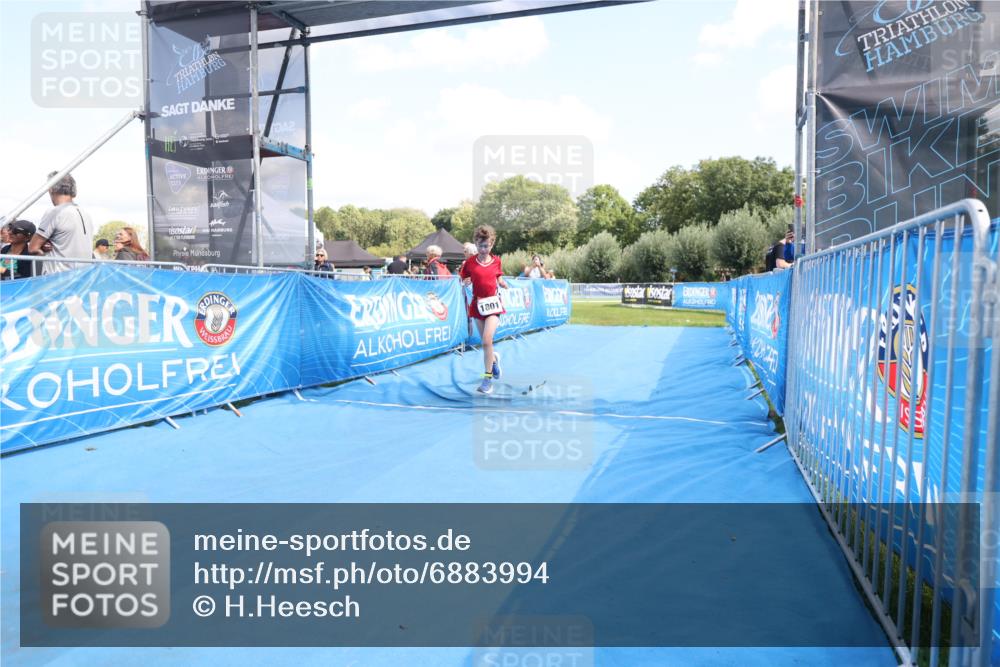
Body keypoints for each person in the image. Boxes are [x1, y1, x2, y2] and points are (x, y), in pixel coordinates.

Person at [460, 225, 509, 394]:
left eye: (486, 246)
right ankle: (493, 361)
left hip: (493, 305)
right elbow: (464, 276)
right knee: (485, 344)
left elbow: (498, 274)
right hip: (477, 305)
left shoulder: (496, 260)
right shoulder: (470, 262)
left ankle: (487, 379)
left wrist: (501, 282)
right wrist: (466, 280)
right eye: (480, 245)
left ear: (492, 244)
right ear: (476, 243)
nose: (483, 249)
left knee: (487, 340)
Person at [28, 172, 94, 274]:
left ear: (50, 189)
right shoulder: (87, 214)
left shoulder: (54, 212)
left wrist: (44, 250)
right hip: (83, 278)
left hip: (58, 279)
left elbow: (32, 248)